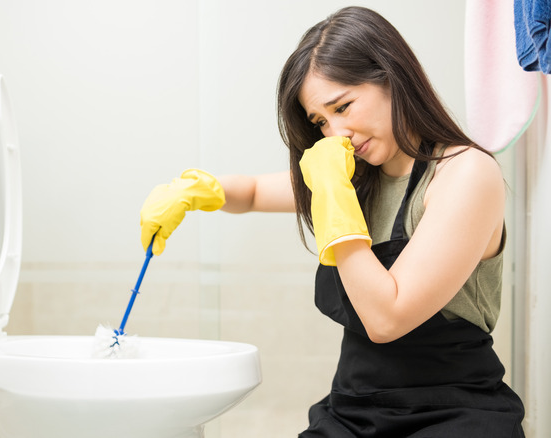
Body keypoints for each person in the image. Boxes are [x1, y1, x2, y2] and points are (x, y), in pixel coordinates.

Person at [139, 6, 525, 437]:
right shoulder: (357, 179)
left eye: (343, 106)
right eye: (321, 121)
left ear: (391, 78)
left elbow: (387, 319)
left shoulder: (464, 174)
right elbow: (249, 191)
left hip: (453, 414)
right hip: (353, 412)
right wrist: (194, 191)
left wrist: (332, 199)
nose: (335, 133)